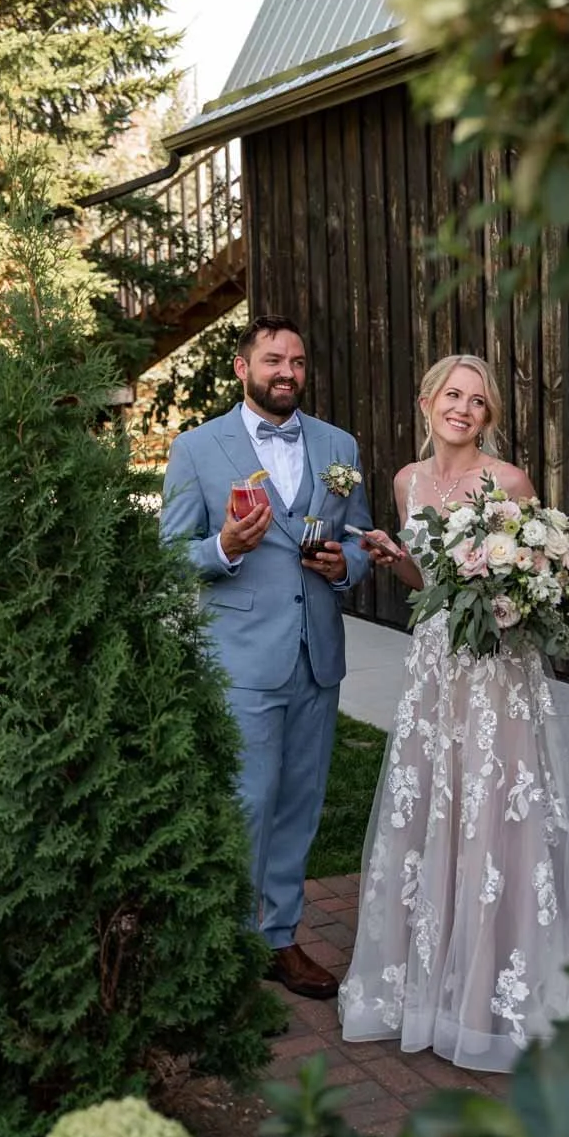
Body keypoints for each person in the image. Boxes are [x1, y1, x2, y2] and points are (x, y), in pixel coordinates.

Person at [338, 353, 569, 1069]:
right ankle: (430, 984)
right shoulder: (406, 480)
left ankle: (501, 982)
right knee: (432, 808)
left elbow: (534, 579)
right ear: (427, 401)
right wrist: (395, 554)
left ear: (489, 418)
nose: (463, 408)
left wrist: (508, 598)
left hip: (495, 672)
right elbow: (422, 580)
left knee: (496, 811)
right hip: (434, 668)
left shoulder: (509, 482)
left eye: (479, 402)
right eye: (453, 395)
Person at [160, 315, 372, 1000]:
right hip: (243, 658)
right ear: (241, 368)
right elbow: (168, 555)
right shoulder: (197, 449)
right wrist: (222, 548)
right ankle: (226, 945)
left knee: (300, 805)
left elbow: (363, 535)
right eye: (274, 359)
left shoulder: (339, 446)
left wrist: (349, 564)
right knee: (245, 803)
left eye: (299, 362)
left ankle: (279, 939)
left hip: (317, 654)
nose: (288, 372)